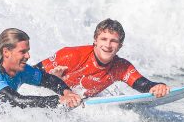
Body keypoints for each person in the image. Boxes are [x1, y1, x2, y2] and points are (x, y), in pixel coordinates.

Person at [36, 19, 169, 98]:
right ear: (95, 41)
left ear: (120, 46)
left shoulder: (121, 67)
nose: (107, 45)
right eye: (103, 39)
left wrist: (157, 86)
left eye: (113, 41)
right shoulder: (71, 55)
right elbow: (28, 73)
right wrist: (52, 79)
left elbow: (142, 84)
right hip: (48, 95)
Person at [0, 28, 82, 109]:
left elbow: (48, 79)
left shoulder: (22, 70)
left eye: (27, 51)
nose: (28, 56)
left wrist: (67, 92)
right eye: (22, 52)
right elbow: (15, 101)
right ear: (6, 52)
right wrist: (59, 100)